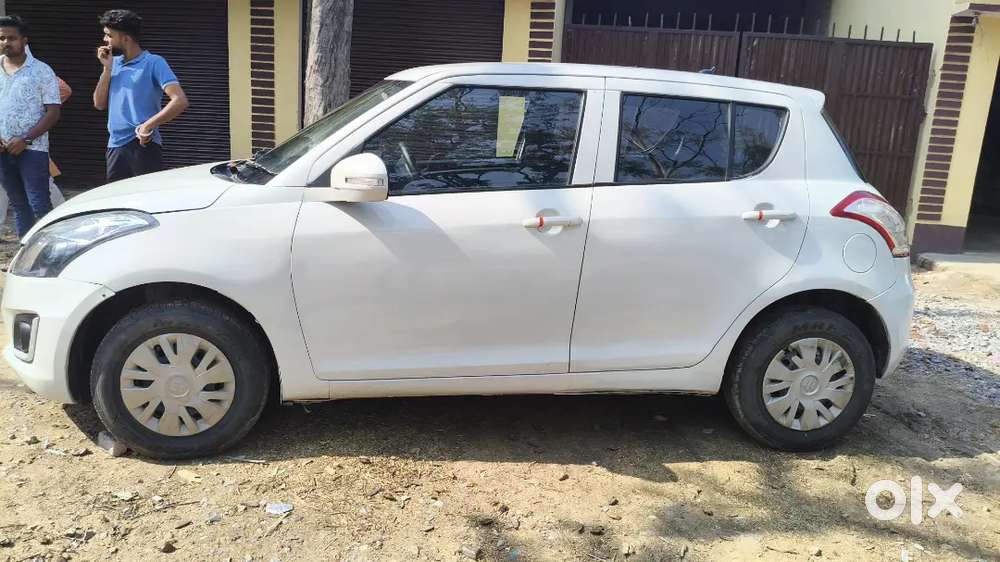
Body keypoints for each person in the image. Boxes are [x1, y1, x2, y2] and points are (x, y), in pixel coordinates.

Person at [92, 9, 189, 182]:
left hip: (143, 144)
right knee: (116, 202)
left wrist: (147, 126)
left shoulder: (154, 62)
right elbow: (99, 104)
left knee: (147, 200)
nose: (105, 40)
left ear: (125, 38)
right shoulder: (113, 64)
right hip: (115, 145)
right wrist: (107, 69)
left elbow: (179, 100)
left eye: (109, 35)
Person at [0, 15, 61, 239]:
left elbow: (53, 112)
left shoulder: (42, 71)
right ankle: (25, 254)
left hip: (32, 150)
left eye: (12, 38)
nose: (7, 42)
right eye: (2, 38)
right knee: (18, 205)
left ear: (25, 40)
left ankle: (49, 255)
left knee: (39, 204)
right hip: (3, 150)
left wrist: (25, 139)